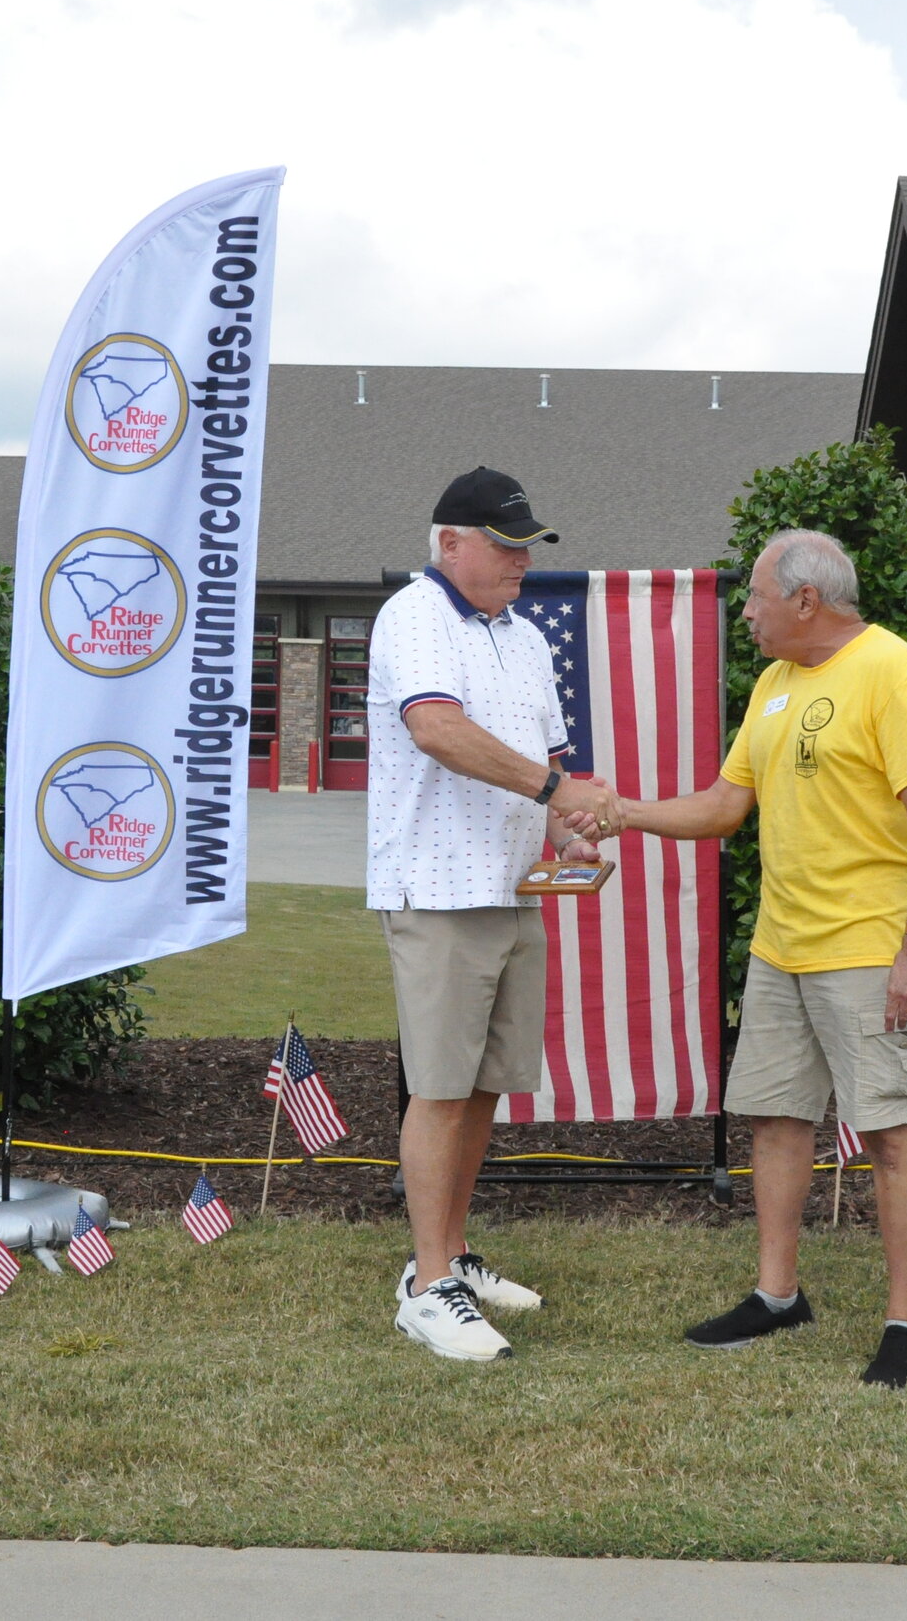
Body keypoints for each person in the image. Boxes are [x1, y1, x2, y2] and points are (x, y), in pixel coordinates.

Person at [609, 528, 907, 1387]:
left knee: (889, 1132)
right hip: (781, 946)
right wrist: (625, 813)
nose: (747, 613)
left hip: (870, 948)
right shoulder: (773, 683)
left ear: (806, 600)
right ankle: (777, 1295)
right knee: (774, 1117)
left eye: (757, 597)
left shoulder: (890, 668)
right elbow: (727, 805)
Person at [366, 466, 622, 1362]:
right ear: (449, 543)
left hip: (513, 888)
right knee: (440, 1088)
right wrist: (558, 791)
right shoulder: (413, 616)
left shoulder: (525, 635)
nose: (522, 560)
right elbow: (436, 729)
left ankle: (450, 1256)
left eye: (528, 546)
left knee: (481, 1087)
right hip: (438, 892)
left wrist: (568, 832)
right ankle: (426, 1287)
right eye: (506, 544)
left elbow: (546, 763)